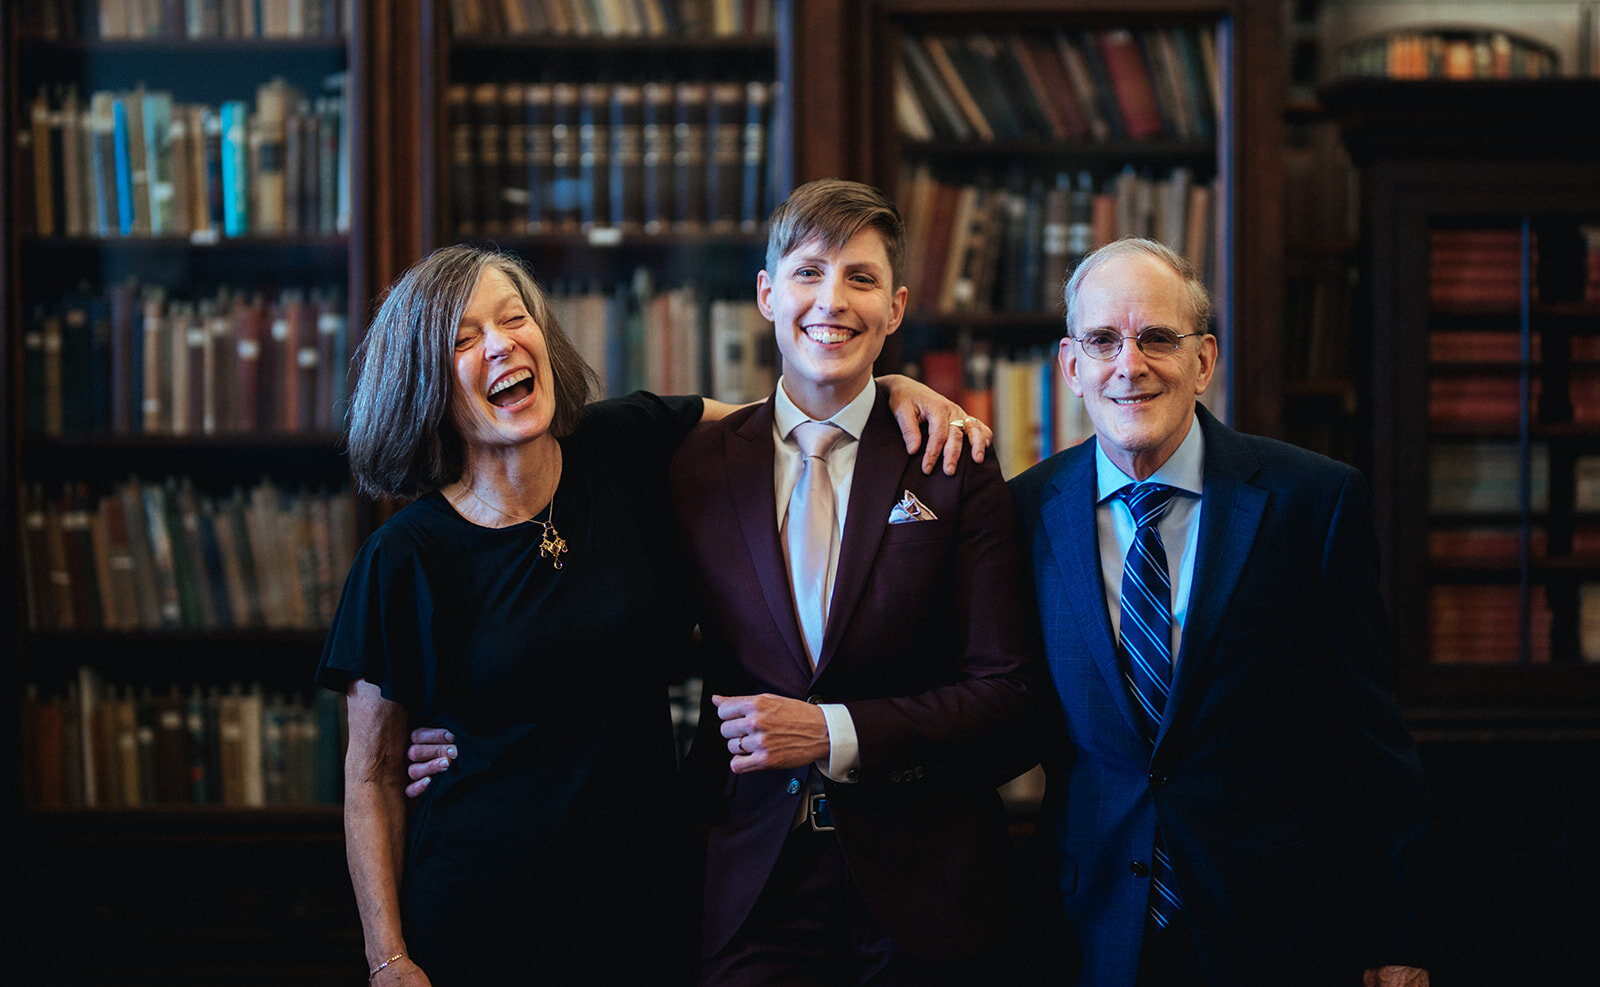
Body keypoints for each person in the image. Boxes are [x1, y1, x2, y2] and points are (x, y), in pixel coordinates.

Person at [315, 244, 982, 986]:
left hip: (648, 894)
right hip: (483, 914)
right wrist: (388, 957)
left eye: (514, 318)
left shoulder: (624, 445)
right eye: (464, 339)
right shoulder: (404, 556)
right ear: (425, 384)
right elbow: (372, 776)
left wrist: (888, 386)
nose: (502, 343)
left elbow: (791, 419)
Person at [1007, 238, 1432, 987]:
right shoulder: (1020, 512)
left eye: (1157, 338)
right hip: (1087, 929)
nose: (1129, 364)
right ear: (1071, 366)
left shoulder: (1313, 502)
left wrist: (1398, 936)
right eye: (1103, 340)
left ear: (1204, 360)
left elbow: (1370, 744)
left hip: (1280, 929)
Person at [669, 179, 1041, 984]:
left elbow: (1010, 694)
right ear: (767, 294)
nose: (831, 300)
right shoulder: (695, 467)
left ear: (897, 307)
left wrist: (834, 733)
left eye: (861, 278)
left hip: (927, 892)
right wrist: (473, 733)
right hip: (748, 886)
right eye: (807, 272)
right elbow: (622, 637)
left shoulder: (954, 461)